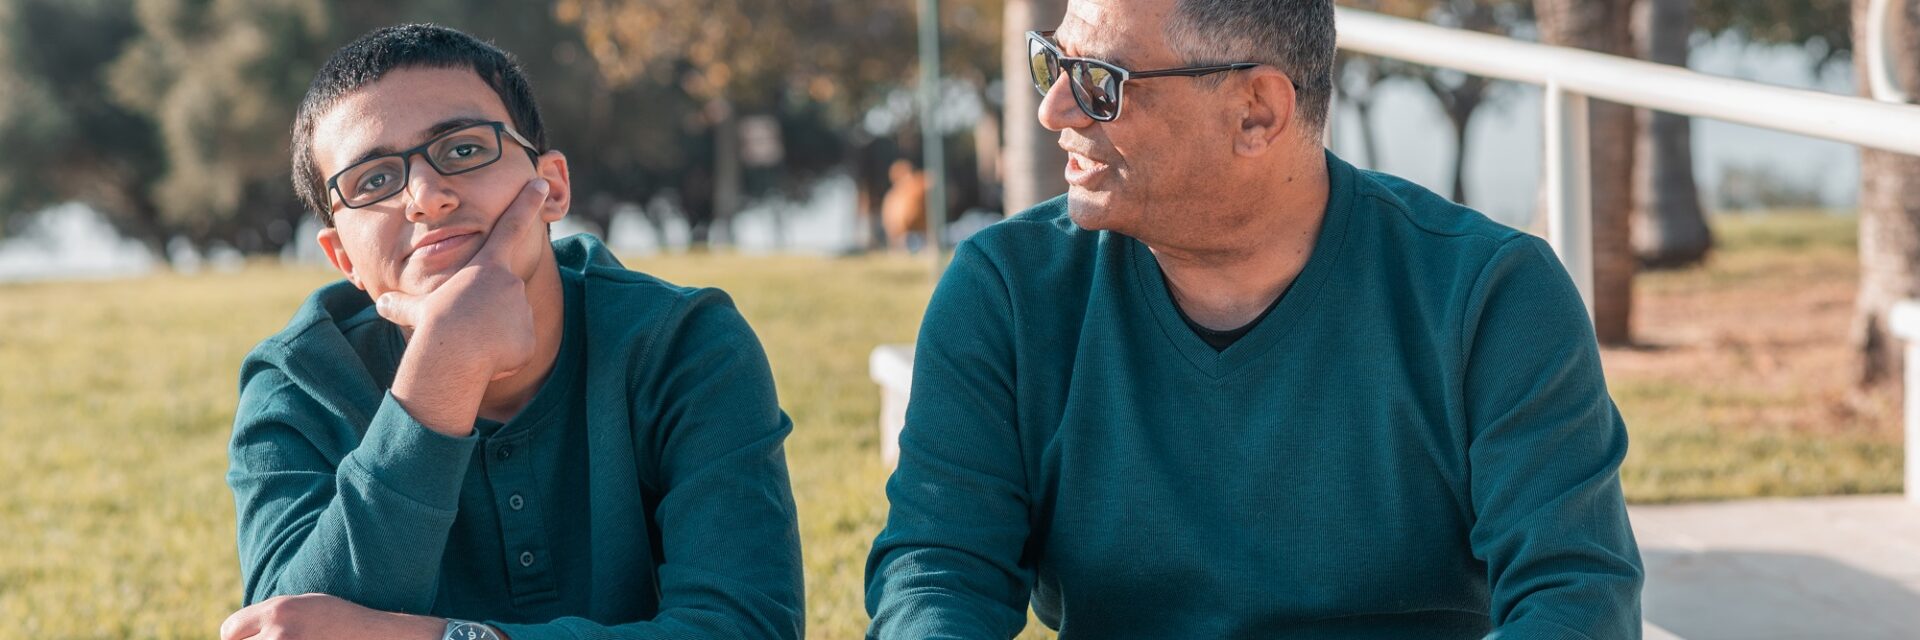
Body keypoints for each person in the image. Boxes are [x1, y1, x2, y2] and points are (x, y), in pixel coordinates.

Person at [865, 1, 1644, 638]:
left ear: (1258, 112)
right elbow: (937, 568)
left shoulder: (1490, 297)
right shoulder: (1007, 291)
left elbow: (1574, 595)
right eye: (1053, 61)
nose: (1052, 108)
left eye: (1099, 80)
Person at [219, 24, 803, 640]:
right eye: (373, 181)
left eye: (464, 150)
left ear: (551, 187)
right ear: (343, 259)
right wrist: (440, 377)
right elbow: (293, 630)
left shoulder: (684, 346)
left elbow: (747, 627)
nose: (426, 196)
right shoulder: (297, 387)